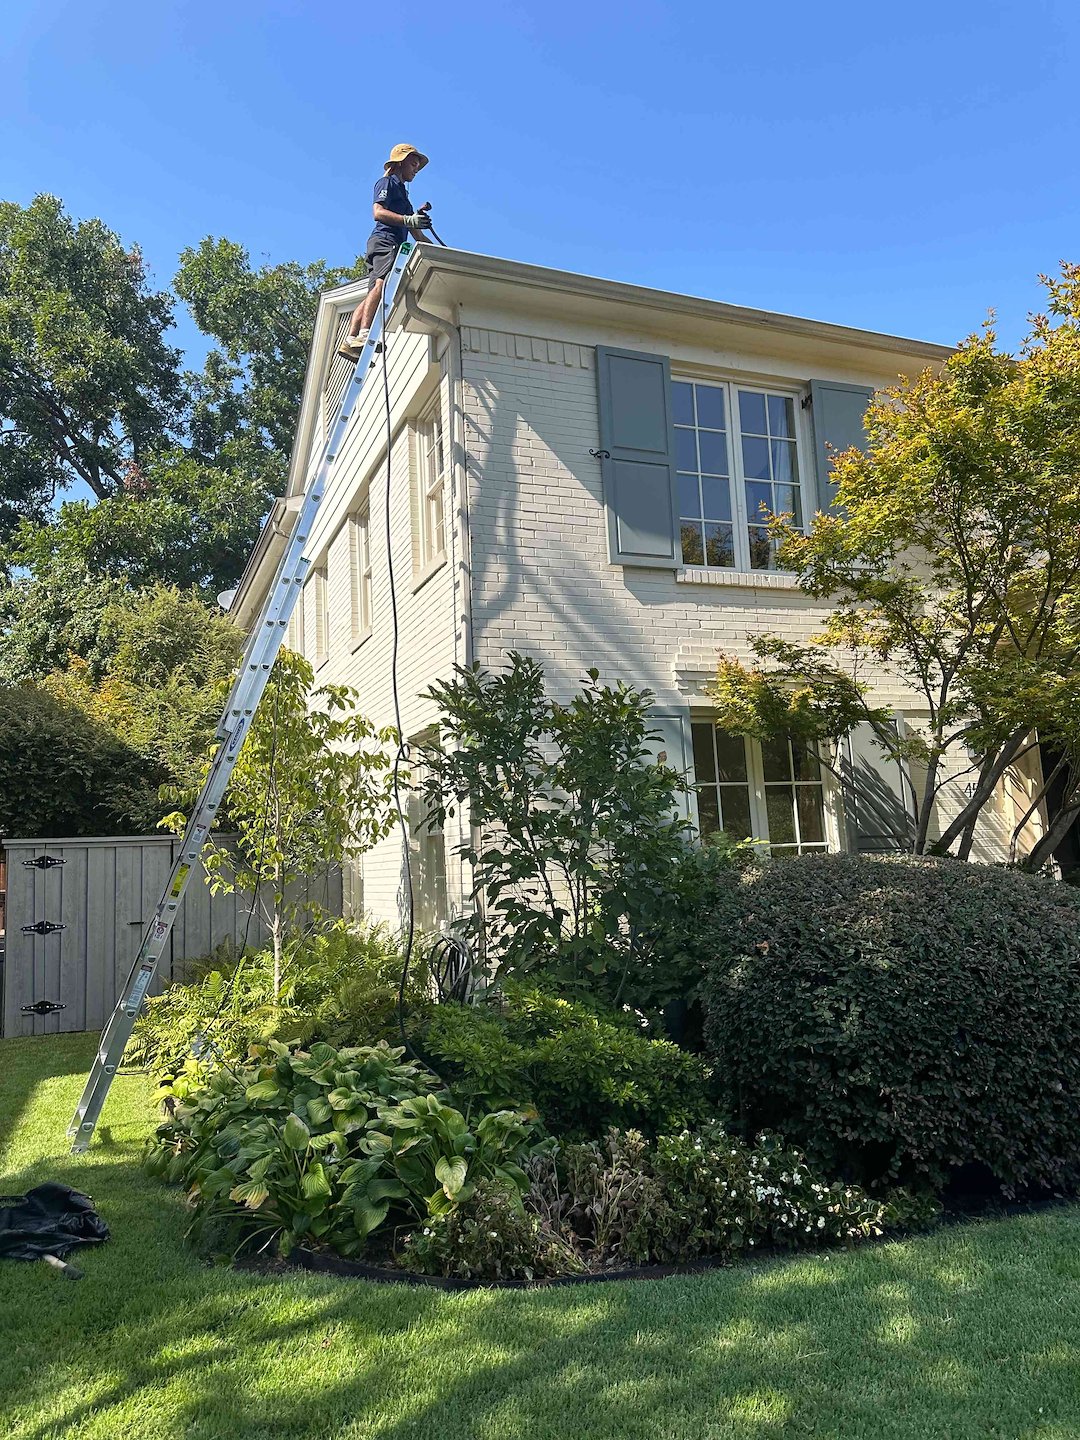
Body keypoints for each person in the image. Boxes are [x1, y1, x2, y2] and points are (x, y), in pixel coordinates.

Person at [337, 144, 433, 362]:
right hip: (385, 241)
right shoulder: (386, 183)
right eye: (413, 163)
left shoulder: (404, 199)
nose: (416, 168)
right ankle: (364, 335)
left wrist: (441, 253)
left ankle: (350, 341)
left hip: (387, 243)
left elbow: (417, 235)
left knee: (374, 292)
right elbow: (378, 212)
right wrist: (407, 220)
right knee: (381, 286)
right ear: (400, 162)